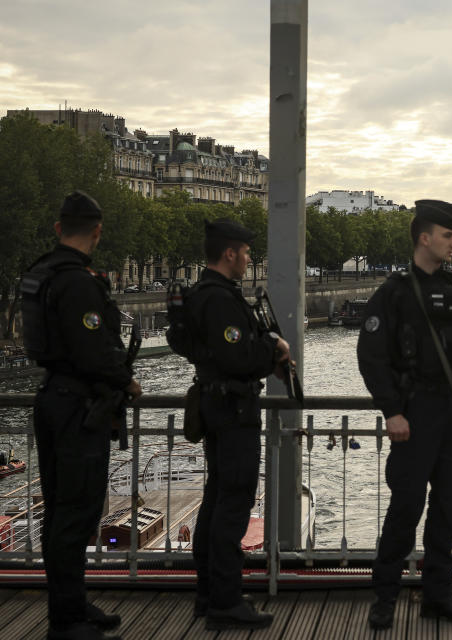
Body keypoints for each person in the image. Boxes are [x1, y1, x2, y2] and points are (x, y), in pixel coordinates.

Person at [357, 199, 452, 629]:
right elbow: (371, 357)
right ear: (425, 238)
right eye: (448, 236)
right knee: (405, 508)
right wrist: (392, 412)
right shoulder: (394, 294)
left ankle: (438, 595)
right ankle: (384, 599)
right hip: (413, 415)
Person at [22, 191, 142, 640]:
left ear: (57, 229)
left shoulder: (40, 272)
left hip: (52, 397)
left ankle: (70, 602)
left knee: (58, 510)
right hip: (79, 408)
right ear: (97, 230)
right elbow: (95, 352)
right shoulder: (79, 283)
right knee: (77, 512)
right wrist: (127, 382)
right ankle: (67, 620)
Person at [184, 219, 290, 631]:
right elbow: (238, 358)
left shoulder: (202, 295)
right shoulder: (221, 300)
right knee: (234, 503)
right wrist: (274, 348)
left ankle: (209, 593)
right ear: (230, 253)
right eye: (246, 252)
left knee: (215, 500)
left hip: (213, 404)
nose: (249, 258)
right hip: (234, 409)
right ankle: (225, 602)